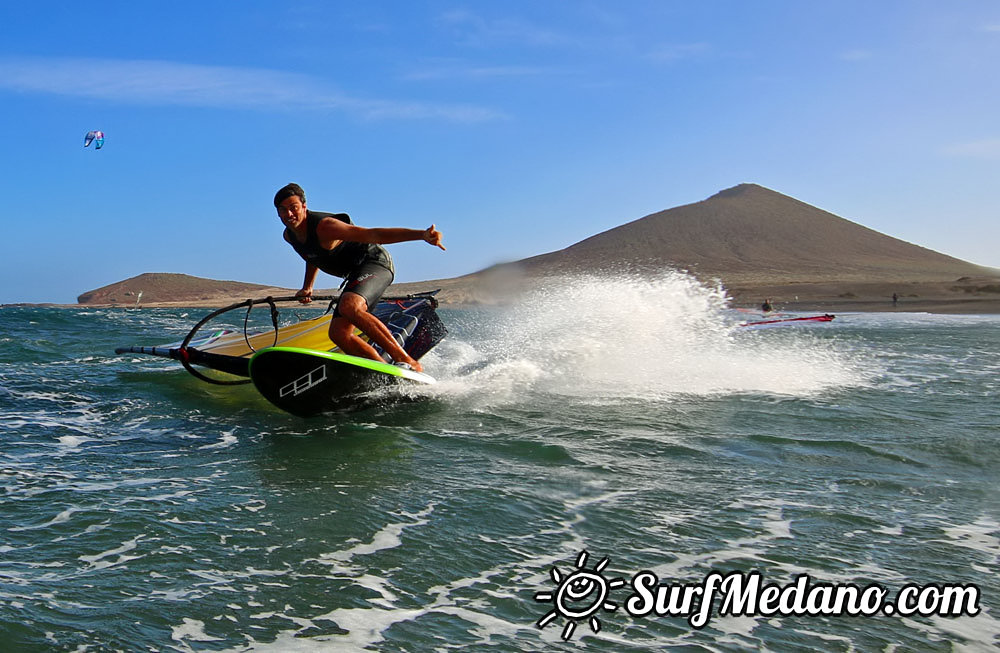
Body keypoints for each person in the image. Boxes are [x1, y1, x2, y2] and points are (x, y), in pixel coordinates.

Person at [273, 183, 445, 373]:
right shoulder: (289, 236)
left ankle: (408, 362)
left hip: (375, 263)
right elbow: (312, 256)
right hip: (356, 274)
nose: (289, 214)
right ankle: (383, 371)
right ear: (278, 214)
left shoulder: (326, 227)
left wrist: (421, 235)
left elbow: (373, 234)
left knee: (349, 306)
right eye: (283, 210)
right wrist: (308, 287)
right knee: (339, 334)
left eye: (293, 208)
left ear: (304, 207)